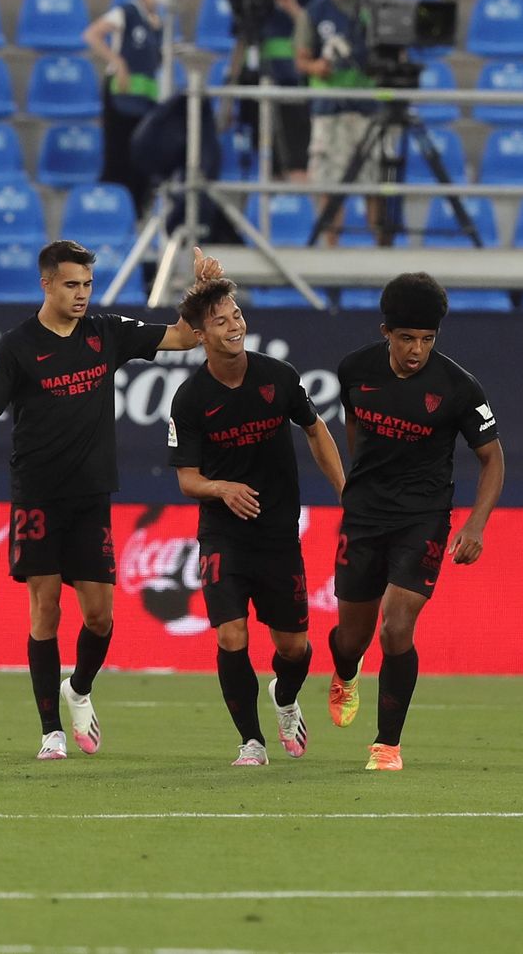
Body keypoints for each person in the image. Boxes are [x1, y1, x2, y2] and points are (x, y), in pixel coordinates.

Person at [0, 239, 223, 760]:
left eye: (87, 285)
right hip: (37, 495)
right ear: (46, 283)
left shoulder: (106, 332)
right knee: (45, 609)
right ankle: (51, 730)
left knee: (99, 617)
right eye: (71, 284)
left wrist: (203, 291)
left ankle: (79, 688)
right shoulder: (16, 347)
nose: (81, 294)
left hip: (91, 496)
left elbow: (187, 338)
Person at [328, 273, 505, 771]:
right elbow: (355, 423)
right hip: (363, 517)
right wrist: (358, 480)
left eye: (427, 340)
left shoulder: (459, 388)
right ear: (386, 331)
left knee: (397, 626)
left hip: (423, 519)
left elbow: (493, 459)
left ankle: (387, 745)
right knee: (352, 638)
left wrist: (475, 525)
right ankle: (345, 670)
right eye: (407, 338)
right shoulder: (354, 370)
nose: (416, 351)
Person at [167, 280, 344, 766]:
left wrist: (343, 489)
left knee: (294, 648)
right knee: (231, 636)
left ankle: (285, 698)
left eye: (237, 316)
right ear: (201, 335)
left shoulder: (279, 377)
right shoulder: (189, 399)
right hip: (223, 535)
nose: (234, 326)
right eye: (220, 321)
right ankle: (251, 741)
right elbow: (187, 479)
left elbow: (316, 429)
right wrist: (221, 488)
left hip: (278, 534)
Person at [294, 0, 376, 246]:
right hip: (330, 110)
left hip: (369, 110)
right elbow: (301, 60)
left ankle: (383, 257)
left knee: (378, 185)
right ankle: (331, 249)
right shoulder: (316, 12)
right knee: (330, 185)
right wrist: (320, 66)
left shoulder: (373, 10)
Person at [83, 0, 172, 217]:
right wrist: (117, 61)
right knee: (118, 157)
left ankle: (136, 214)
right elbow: (92, 34)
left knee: (143, 162)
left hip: (146, 99)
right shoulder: (128, 11)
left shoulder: (162, 23)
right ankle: (108, 215)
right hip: (121, 96)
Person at [230, 0, 313, 183]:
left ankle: (300, 213)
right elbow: (239, 30)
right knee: (268, 156)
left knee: (298, 155)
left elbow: (314, 30)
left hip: (292, 80)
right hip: (255, 76)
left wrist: (291, 8)